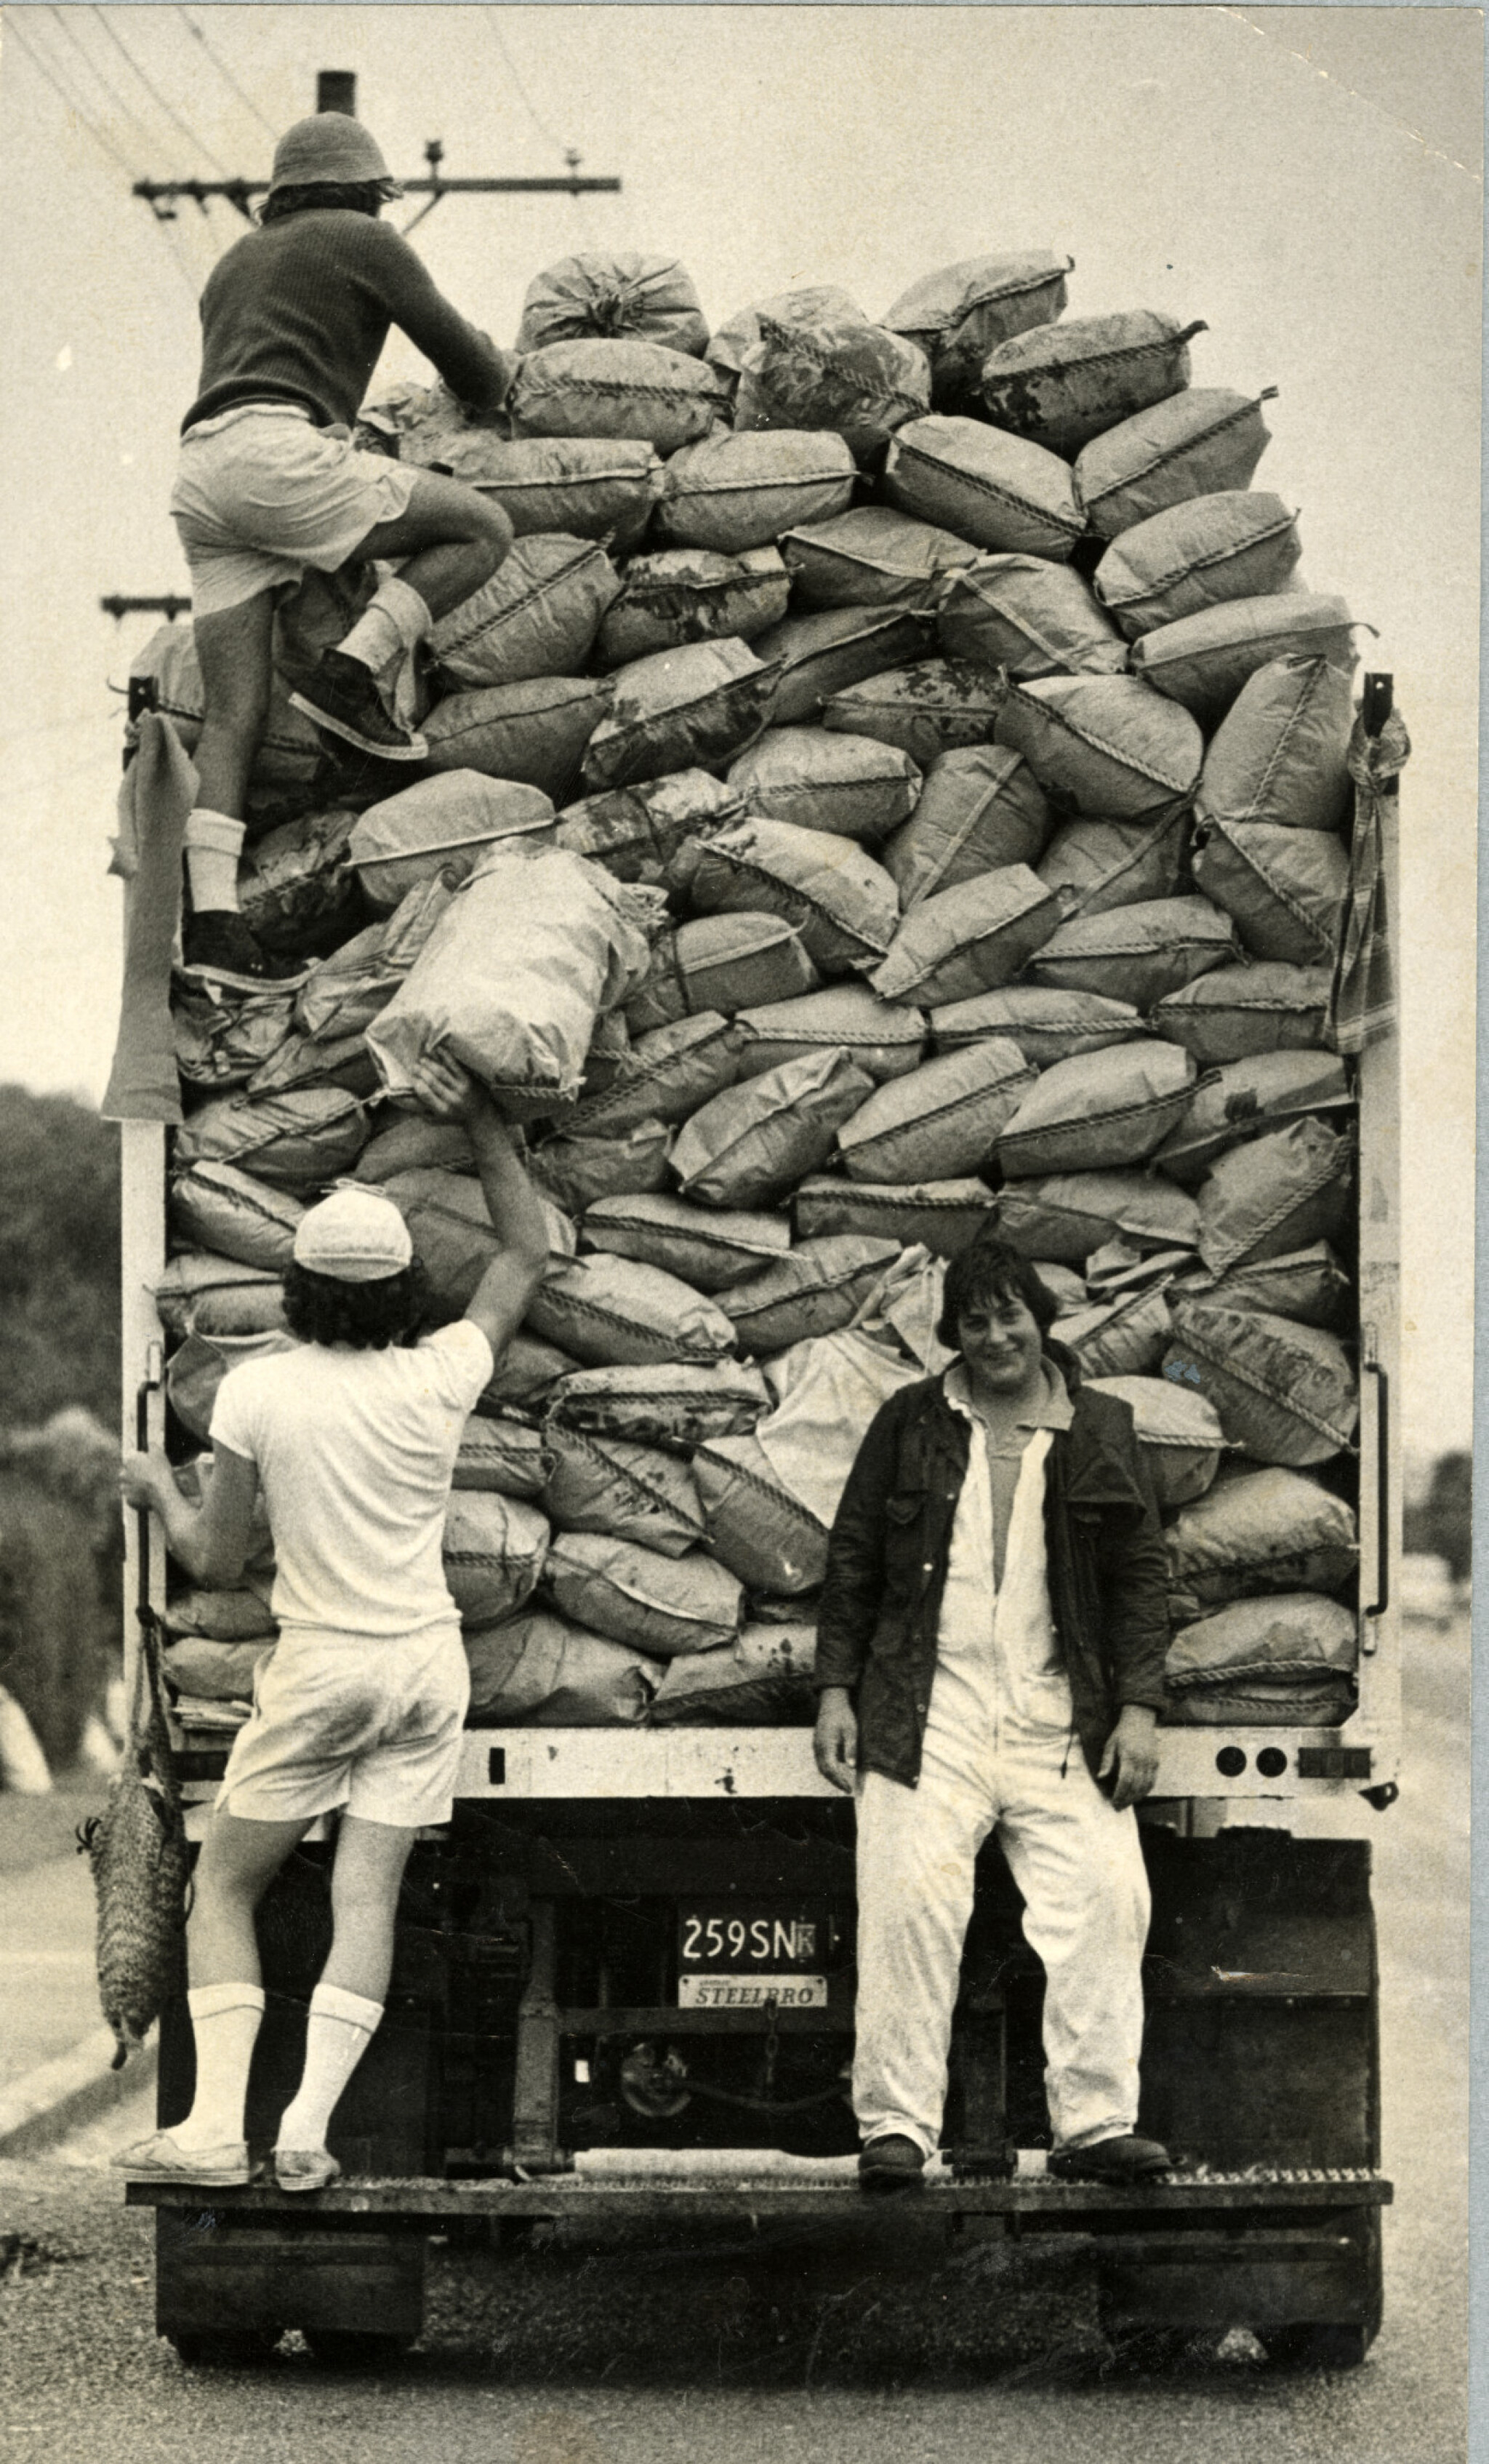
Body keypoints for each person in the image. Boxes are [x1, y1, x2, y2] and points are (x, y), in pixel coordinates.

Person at [115, 1059, 546, 2191]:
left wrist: (158, 1487)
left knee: (227, 1886)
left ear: (294, 1291)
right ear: (405, 1292)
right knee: (367, 1896)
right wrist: (487, 1127)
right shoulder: (438, 1376)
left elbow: (215, 1558)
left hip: (321, 1670)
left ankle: (214, 2131)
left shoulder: (260, 1391)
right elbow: (522, 1258)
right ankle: (305, 2130)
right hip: (424, 1668)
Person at [813, 1234, 1173, 2193]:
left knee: (1107, 1896)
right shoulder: (912, 1422)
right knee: (907, 1907)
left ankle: (1095, 2124)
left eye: (1011, 1313)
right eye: (975, 1319)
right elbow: (853, 1562)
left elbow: (1139, 1576)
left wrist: (1138, 1708)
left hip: (1060, 1717)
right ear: (955, 1334)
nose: (995, 1334)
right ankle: (896, 2129)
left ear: (1040, 1321)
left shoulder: (1100, 1424)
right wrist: (835, 1690)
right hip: (927, 1711)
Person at [169, 111, 518, 988]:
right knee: (482, 527)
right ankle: (354, 673)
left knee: (232, 715)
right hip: (277, 457)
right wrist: (502, 380)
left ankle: (212, 925)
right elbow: (470, 369)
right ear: (368, 189)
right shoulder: (366, 240)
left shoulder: (232, 265)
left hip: (203, 478)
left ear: (279, 194)